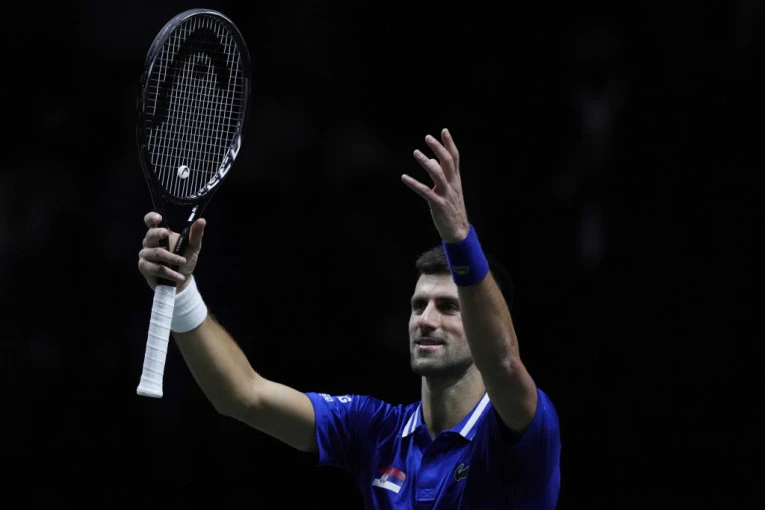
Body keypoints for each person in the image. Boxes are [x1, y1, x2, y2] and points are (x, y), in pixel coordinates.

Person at [137, 128, 561, 509]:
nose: (426, 320)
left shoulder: (521, 432)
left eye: (449, 307)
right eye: (418, 306)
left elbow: (502, 362)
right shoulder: (375, 430)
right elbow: (243, 395)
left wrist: (460, 238)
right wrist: (183, 291)